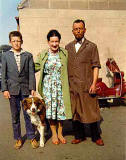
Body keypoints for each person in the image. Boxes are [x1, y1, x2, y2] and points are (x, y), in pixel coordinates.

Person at [65, 19, 104, 146]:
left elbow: (96, 66)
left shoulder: (92, 46)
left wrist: (94, 83)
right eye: (75, 29)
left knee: (91, 111)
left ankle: (96, 136)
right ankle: (79, 135)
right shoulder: (68, 47)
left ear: (85, 30)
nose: (78, 31)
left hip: (87, 85)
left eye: (80, 28)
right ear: (72, 31)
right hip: (73, 86)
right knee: (75, 112)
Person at [1, 31, 39, 149]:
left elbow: (31, 73)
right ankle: (18, 138)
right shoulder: (6, 55)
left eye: (18, 41)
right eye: (14, 41)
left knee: (29, 115)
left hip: (25, 89)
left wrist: (32, 88)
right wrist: (5, 89)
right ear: (10, 42)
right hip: (12, 90)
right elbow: (4, 74)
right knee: (15, 115)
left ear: (21, 41)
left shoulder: (27, 55)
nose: (16, 43)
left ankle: (31, 137)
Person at [35, 29, 72, 145]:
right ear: (48, 42)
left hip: (61, 87)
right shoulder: (43, 54)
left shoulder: (65, 53)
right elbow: (34, 67)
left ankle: (60, 133)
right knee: (50, 111)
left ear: (59, 41)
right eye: (52, 41)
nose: (54, 44)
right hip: (48, 88)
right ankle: (54, 134)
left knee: (61, 111)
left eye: (57, 41)